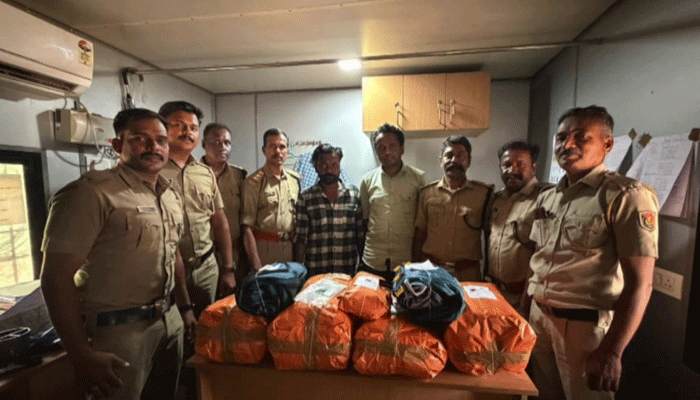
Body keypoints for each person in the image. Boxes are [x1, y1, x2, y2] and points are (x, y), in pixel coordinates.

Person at [40, 108, 196, 400]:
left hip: (168, 321)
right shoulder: (90, 193)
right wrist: (80, 353)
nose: (153, 147)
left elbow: (172, 253)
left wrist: (185, 308)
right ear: (116, 144)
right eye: (140, 138)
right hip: (118, 333)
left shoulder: (169, 194)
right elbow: (55, 277)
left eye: (161, 140)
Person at [527, 106, 659, 399]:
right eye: (561, 137)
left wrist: (613, 350)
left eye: (581, 137)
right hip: (539, 320)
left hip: (583, 329)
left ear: (607, 144)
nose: (567, 145)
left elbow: (641, 283)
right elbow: (539, 260)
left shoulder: (625, 196)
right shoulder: (549, 197)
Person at [158, 101, 235, 316]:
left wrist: (228, 268)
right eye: (178, 125)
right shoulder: (153, 171)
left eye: (193, 127)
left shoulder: (205, 173)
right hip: (167, 270)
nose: (187, 132)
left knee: (208, 324)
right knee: (174, 327)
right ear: (162, 128)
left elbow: (219, 221)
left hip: (206, 267)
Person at [412, 135, 493, 281]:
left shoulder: (483, 194)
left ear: (468, 161)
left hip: (468, 274)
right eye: (449, 155)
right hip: (432, 272)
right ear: (441, 161)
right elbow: (419, 235)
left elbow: (489, 238)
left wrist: (488, 274)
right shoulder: (426, 193)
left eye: (461, 156)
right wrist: (415, 271)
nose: (454, 160)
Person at [486, 141, 550, 309]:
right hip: (494, 291)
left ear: (533, 168)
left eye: (520, 165)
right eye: (506, 165)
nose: (512, 170)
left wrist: (526, 303)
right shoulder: (497, 199)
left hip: (523, 297)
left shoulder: (545, 199)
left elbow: (545, 253)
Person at [360, 123, 425, 280]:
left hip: (406, 262)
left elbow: (421, 225)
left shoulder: (418, 179)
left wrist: (418, 260)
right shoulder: (367, 181)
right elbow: (365, 220)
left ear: (402, 149)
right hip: (373, 260)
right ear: (376, 152)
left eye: (392, 146)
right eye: (381, 147)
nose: (387, 151)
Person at [293, 144, 364, 276]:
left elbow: (360, 234)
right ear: (315, 166)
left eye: (334, 165)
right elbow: (301, 238)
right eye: (323, 165)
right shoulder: (306, 198)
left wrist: (363, 267)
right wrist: (297, 271)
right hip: (316, 273)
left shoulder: (354, 194)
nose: (329, 170)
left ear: (339, 165)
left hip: (346, 272)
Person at [241, 128, 300, 270]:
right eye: (272, 146)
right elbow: (247, 228)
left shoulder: (294, 180)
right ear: (264, 150)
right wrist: (256, 265)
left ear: (287, 151)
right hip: (264, 252)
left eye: (282, 147)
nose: (278, 151)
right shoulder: (253, 183)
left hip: (290, 250)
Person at [200, 122, 248, 285]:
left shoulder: (239, 175)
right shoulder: (192, 175)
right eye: (216, 142)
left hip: (236, 254)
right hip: (205, 256)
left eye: (227, 143)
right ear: (203, 144)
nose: (222, 147)